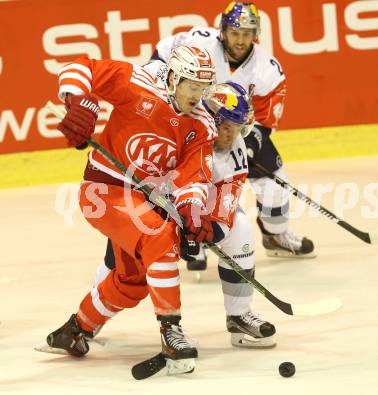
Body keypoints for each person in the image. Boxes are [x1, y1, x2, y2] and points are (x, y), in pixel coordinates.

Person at [44, 45, 218, 374]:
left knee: (132, 281)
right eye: (193, 86)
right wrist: (76, 101)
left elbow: (193, 176)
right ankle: (171, 332)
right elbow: (81, 68)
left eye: (203, 88)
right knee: (159, 237)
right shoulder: (138, 81)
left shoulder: (201, 124)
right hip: (104, 190)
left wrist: (193, 212)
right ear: (173, 78)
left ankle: (73, 331)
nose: (198, 96)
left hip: (143, 202)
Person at [96, 82, 276, 348]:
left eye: (238, 128)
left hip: (195, 218)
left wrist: (206, 232)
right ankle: (92, 318)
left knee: (240, 227)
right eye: (226, 126)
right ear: (212, 119)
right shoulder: (180, 128)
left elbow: (227, 197)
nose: (231, 135)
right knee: (119, 264)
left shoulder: (234, 149)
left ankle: (238, 315)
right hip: (148, 211)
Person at [151, 1, 315, 270]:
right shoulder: (200, 42)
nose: (240, 40)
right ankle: (195, 237)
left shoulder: (268, 69)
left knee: (275, 183)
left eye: (247, 34)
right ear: (223, 30)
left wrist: (253, 140)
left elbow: (265, 119)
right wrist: (158, 79)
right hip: (192, 123)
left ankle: (275, 235)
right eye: (235, 32)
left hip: (236, 131)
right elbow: (163, 53)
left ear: (255, 35)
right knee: (193, 177)